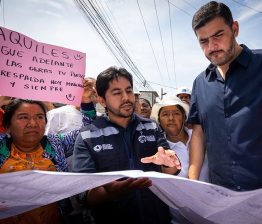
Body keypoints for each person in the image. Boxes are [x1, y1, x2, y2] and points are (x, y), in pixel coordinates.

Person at [188, 1, 262, 191]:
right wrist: (192, 183)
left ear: (235, 28)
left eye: (218, 35)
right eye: (203, 41)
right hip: (224, 198)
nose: (212, 46)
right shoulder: (200, 83)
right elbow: (199, 134)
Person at [72, 66, 181, 224]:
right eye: (117, 93)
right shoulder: (87, 136)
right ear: (102, 100)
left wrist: (170, 164)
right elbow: (84, 193)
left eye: (129, 91)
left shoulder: (151, 127)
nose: (126, 98)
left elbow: (170, 169)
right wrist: (111, 192)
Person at [0, 83, 95, 224]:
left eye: (39, 117)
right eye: (23, 117)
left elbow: (86, 131)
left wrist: (86, 102)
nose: (33, 123)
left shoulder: (55, 144)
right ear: (7, 126)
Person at [151, 96, 209, 223]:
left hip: (211, 213)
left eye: (176, 113)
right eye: (165, 114)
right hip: (179, 218)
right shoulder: (159, 151)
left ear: (184, 117)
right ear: (159, 120)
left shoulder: (201, 137)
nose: (171, 118)